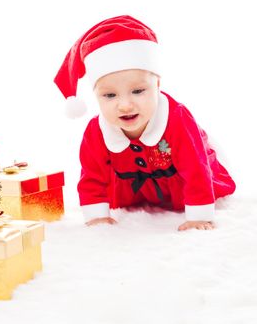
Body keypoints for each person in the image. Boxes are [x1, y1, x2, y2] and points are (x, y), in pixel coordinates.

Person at [54, 15, 236, 231]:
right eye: (110, 95)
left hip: (179, 184)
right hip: (133, 191)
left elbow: (195, 168)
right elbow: (92, 176)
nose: (125, 105)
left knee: (198, 166)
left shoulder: (176, 118)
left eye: (138, 91)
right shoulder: (97, 130)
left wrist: (199, 216)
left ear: (157, 85)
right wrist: (97, 216)